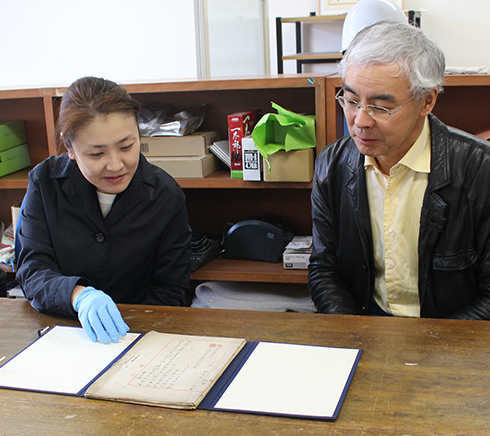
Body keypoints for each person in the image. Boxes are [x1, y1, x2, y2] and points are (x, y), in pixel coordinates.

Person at [308, 21, 490, 319]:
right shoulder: (332, 166)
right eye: (351, 101)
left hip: (452, 332)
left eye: (380, 107)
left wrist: (431, 350)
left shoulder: (479, 170)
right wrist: (353, 336)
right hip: (365, 323)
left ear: (427, 101)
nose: (360, 121)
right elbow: (325, 269)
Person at [16, 77, 192, 342]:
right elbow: (32, 269)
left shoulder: (165, 195)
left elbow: (170, 289)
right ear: (69, 147)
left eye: (126, 146)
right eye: (97, 154)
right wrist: (79, 296)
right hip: (65, 330)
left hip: (136, 334)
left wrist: (136, 335)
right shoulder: (44, 183)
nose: (115, 165)